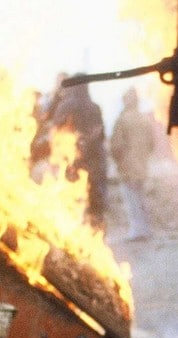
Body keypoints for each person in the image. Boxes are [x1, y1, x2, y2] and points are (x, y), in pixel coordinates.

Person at [30, 72, 108, 231]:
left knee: (70, 203)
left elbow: (55, 135)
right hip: (94, 163)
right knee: (93, 204)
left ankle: (77, 237)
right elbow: (100, 136)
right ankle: (93, 234)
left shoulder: (66, 106)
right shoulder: (94, 108)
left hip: (72, 163)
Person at [107, 86, 157, 241]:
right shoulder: (145, 119)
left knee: (132, 200)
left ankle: (137, 231)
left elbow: (116, 145)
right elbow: (151, 144)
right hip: (142, 165)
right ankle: (146, 230)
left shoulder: (122, 120)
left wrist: (118, 161)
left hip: (128, 166)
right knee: (141, 198)